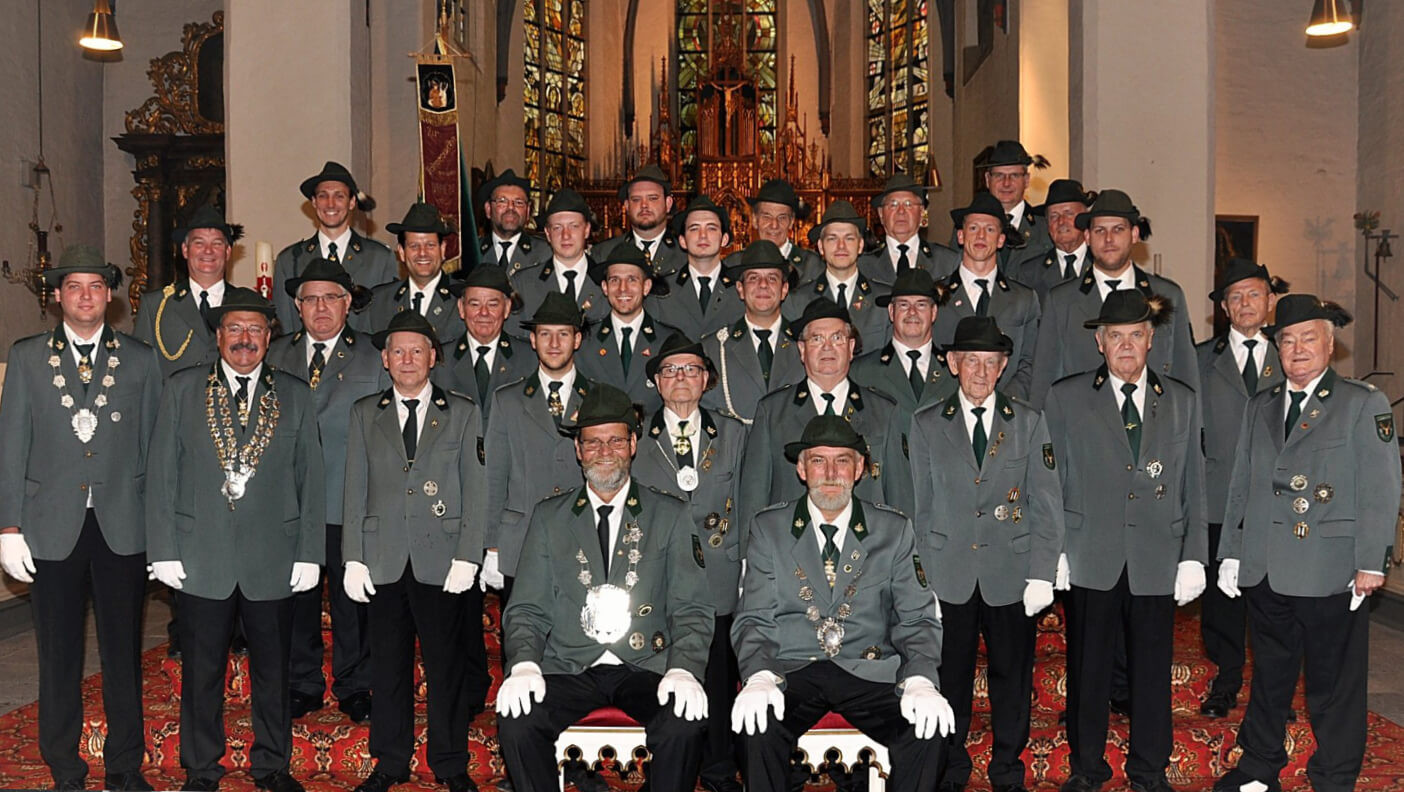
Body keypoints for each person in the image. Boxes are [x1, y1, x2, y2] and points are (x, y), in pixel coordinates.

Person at [1214, 295, 1401, 792]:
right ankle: (1259, 768)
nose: (1297, 349)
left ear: (1330, 343)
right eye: (1287, 340)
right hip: (1266, 566)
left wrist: (1372, 561)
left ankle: (1334, 777)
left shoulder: (1362, 403)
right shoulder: (1262, 404)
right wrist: (1232, 548)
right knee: (1270, 676)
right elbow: (1242, 482)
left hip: (1330, 567)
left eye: (1308, 338)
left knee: (1332, 684)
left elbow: (1382, 487)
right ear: (1276, 348)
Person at [145, 287, 325, 792]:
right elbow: (162, 473)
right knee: (202, 674)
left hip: (274, 555)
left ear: (270, 338)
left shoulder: (294, 392)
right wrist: (162, 548)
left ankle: (272, 765)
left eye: (255, 330)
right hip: (201, 555)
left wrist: (310, 551)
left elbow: (311, 475)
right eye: (234, 329)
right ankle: (201, 767)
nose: (244, 339)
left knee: (274, 673)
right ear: (218, 336)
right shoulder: (182, 389)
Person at [0, 245, 163, 792]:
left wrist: (160, 534)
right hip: (52, 527)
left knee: (123, 654)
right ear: (56, 296)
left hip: (122, 526)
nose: (86, 295)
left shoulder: (140, 359)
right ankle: (64, 768)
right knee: (59, 654)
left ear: (110, 295)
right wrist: (7, 527)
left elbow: (156, 452)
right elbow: (11, 447)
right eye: (74, 286)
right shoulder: (25, 357)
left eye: (96, 286)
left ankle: (124, 765)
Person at [496, 384, 713, 792]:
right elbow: (526, 608)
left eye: (615, 440)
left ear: (633, 444)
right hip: (570, 664)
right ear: (578, 450)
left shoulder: (670, 514)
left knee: (684, 721)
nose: (604, 451)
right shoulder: (549, 517)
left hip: (646, 664)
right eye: (592, 442)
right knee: (517, 721)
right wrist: (524, 662)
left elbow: (692, 608)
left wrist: (684, 667)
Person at [731, 415, 952, 792]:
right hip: (793, 669)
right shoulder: (770, 528)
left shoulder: (893, 530)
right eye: (818, 460)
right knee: (757, 728)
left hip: (869, 670)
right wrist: (760, 673)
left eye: (843, 460)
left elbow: (917, 618)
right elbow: (754, 616)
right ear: (801, 468)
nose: (830, 473)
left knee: (928, 732)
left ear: (860, 468)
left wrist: (920, 677)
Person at [1042, 290, 1208, 792]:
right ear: (1099, 342)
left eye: (1136, 334)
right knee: (1088, 671)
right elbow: (1050, 482)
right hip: (1091, 554)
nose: (1127, 345)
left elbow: (1193, 482)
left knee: (1152, 674)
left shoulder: (1180, 399)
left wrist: (1194, 556)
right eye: (1116, 336)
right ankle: (1087, 767)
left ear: (1151, 339)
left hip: (1157, 556)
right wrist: (1056, 550)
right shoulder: (1066, 397)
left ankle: (1149, 770)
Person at [907, 316, 1063, 792]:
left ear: (1002, 368)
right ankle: (949, 767)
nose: (980, 371)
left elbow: (1046, 500)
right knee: (947, 677)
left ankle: (1007, 769)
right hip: (946, 571)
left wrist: (1042, 573)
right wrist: (919, 583)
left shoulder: (1029, 422)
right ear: (953, 364)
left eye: (990, 362)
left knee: (1011, 677)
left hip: (1009, 572)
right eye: (970, 360)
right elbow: (917, 506)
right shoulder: (927, 423)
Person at [341, 311, 488, 792]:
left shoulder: (462, 412)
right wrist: (353, 556)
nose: (407, 359)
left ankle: (449, 763)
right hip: (383, 558)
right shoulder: (365, 412)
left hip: (441, 561)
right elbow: (354, 488)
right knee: (387, 666)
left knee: (446, 667)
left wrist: (470, 555)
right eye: (398, 351)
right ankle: (390, 761)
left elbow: (476, 488)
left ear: (433, 358)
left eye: (417, 350)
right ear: (384, 359)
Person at [266, 258, 387, 724]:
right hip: (290, 502)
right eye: (311, 299)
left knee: (350, 600)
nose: (321, 308)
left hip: (345, 497)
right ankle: (302, 682)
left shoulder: (371, 356)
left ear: (348, 304)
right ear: (296, 306)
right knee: (295, 599)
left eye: (331, 298)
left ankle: (355, 684)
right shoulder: (276, 354)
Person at [631, 333, 750, 792]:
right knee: (665, 672)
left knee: (719, 677)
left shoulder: (734, 433)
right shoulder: (638, 436)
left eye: (691, 370)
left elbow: (747, 499)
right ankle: (668, 768)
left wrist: (744, 567)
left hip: (719, 574)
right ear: (657, 383)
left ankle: (718, 768)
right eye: (671, 371)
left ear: (706, 381)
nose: (681, 379)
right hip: (657, 576)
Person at [738, 298, 908, 554]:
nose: (828, 348)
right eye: (817, 339)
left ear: (851, 347)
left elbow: (900, 495)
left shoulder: (883, 411)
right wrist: (749, 560)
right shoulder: (773, 411)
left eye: (837, 339)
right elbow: (754, 495)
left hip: (869, 554)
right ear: (802, 349)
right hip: (790, 553)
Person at [1193, 259, 1287, 720]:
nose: (1245, 304)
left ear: (1270, 302)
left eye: (1254, 294)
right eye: (1236, 297)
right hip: (1216, 498)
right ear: (1224, 309)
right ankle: (1226, 680)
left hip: (1278, 501)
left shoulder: (1292, 356)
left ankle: (1276, 693)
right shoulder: (1198, 360)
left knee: (1274, 602)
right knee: (1221, 603)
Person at [1028, 189, 1198, 408]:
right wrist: (1043, 442)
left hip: (1155, 429)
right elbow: (1045, 382)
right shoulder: (1061, 300)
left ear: (1134, 234)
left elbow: (1186, 377)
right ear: (1087, 237)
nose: (1108, 239)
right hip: (1083, 428)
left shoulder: (1167, 295)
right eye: (1099, 230)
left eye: (1118, 229)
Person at [481, 292, 596, 599]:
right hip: (521, 543)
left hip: (584, 542)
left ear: (577, 340)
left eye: (563, 334)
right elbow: (494, 478)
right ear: (532, 340)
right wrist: (492, 546)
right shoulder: (507, 399)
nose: (554, 344)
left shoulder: (598, 399)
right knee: (521, 640)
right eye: (545, 334)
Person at [932, 193, 1041, 400]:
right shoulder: (935, 295)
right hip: (947, 410)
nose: (981, 236)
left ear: (1001, 240)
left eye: (990, 229)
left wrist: (1001, 404)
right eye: (973, 228)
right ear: (961, 236)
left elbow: (1030, 362)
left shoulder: (1023, 298)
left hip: (1006, 410)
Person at [272, 161, 396, 332]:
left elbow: (387, 322)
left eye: (339, 196)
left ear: (352, 202)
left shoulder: (379, 258)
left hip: (366, 357)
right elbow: (285, 328)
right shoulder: (289, 260)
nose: (330, 204)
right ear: (314, 202)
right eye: (323, 196)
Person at [701, 241, 804, 422]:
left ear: (784, 289)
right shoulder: (713, 349)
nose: (763, 285)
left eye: (772, 278)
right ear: (740, 289)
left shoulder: (808, 344)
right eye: (753, 278)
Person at [134, 205, 239, 379]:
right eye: (199, 243)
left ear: (227, 252)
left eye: (217, 244)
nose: (208, 251)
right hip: (172, 405)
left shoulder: (246, 306)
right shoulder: (155, 305)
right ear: (185, 250)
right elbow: (140, 371)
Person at [577, 243, 679, 412]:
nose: (622, 288)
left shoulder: (668, 341)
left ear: (646, 287)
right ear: (605, 288)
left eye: (632, 279)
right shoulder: (585, 342)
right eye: (615, 280)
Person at [852, 268, 956, 418]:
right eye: (903, 305)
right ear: (891, 311)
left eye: (921, 305)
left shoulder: (955, 371)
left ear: (933, 312)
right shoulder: (860, 372)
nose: (912, 312)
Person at [438, 266, 534, 425]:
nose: (483, 313)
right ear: (461, 309)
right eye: (475, 304)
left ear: (507, 308)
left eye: (493, 304)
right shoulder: (440, 360)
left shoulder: (529, 358)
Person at [790, 201, 893, 346]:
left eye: (849, 238)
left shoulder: (884, 299)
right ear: (821, 247)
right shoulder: (798, 300)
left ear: (860, 245)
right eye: (832, 238)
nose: (841, 246)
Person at [362, 202, 467, 345]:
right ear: (401, 252)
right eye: (414, 246)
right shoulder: (380, 302)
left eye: (430, 245)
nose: (422, 253)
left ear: (442, 250)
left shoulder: (465, 300)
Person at [509, 188, 609, 332]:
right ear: (548, 234)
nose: (565, 235)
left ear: (586, 230)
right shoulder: (523, 283)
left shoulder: (608, 282)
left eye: (574, 226)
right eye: (557, 228)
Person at [647, 195, 744, 341]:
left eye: (711, 228)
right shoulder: (662, 291)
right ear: (683, 241)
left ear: (724, 239)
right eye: (694, 228)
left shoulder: (742, 290)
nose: (703, 235)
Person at [857, 174, 960, 285]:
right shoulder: (862, 266)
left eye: (908, 204)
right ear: (881, 214)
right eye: (893, 205)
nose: (901, 211)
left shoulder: (947, 261)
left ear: (921, 212)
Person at [1010, 179, 1096, 302]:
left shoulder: (1102, 264)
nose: (1061, 222)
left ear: (1085, 219)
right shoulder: (1029, 272)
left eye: (1069, 213)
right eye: (1054, 216)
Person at [721, 179, 823, 282]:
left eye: (782, 217)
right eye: (767, 217)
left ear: (791, 221)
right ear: (755, 220)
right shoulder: (733, 264)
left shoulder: (812, 265)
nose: (774, 225)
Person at [591, 163, 685, 276]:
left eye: (653, 198)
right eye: (636, 199)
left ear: (668, 204)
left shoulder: (686, 255)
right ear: (627, 206)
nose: (644, 205)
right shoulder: (604, 254)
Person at [972, 140, 1052, 269]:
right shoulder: (968, 226)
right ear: (987, 179)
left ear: (1026, 180)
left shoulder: (1045, 226)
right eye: (999, 176)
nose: (1006, 183)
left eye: (1014, 176)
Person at [476, 168, 551, 271]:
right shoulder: (471, 252)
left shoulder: (546, 254)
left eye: (518, 202)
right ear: (488, 209)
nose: (511, 207)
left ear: (528, 211)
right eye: (502, 201)